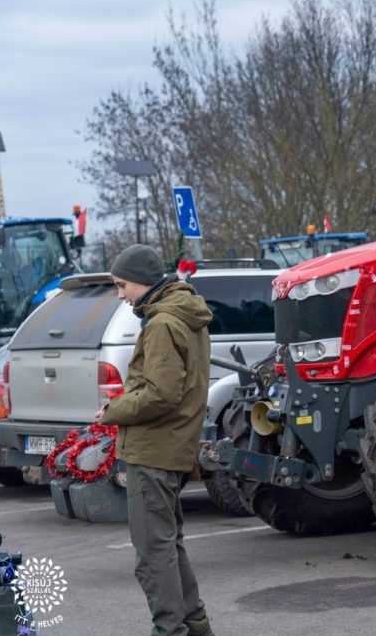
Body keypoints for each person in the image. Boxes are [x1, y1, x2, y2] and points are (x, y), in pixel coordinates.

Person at [95, 244, 214, 636]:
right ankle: (194, 624)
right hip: (172, 447)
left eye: (122, 285)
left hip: (155, 449)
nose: (120, 294)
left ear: (143, 281)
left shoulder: (163, 323)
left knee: (153, 553)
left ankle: (171, 630)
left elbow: (161, 394)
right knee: (169, 545)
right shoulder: (183, 313)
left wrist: (113, 411)